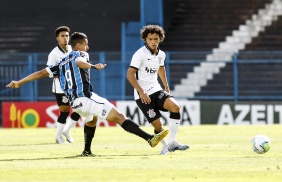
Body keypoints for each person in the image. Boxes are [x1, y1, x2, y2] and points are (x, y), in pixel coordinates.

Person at [6, 32, 169, 156]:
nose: (87, 48)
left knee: (92, 120)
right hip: (84, 97)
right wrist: (92, 66)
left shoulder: (60, 63)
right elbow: (79, 61)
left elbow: (40, 73)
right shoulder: (80, 54)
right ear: (78, 46)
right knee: (119, 116)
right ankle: (150, 138)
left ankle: (86, 151)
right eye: (86, 45)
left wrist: (19, 82)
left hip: (75, 103)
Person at [127, 25, 189, 155]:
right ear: (146, 39)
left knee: (175, 107)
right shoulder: (140, 54)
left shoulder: (161, 54)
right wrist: (141, 91)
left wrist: (166, 86)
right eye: (150, 39)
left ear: (160, 38)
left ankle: (173, 142)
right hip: (142, 95)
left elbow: (161, 68)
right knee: (157, 126)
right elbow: (130, 74)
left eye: (156, 39)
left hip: (156, 89)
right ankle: (165, 147)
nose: (153, 42)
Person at [46, 26, 80, 144]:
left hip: (74, 86)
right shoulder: (54, 54)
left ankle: (67, 130)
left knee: (80, 108)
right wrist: (65, 73)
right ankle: (59, 136)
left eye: (67, 36)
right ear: (57, 38)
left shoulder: (72, 49)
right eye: (62, 36)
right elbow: (49, 72)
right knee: (65, 111)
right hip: (60, 88)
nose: (65, 38)